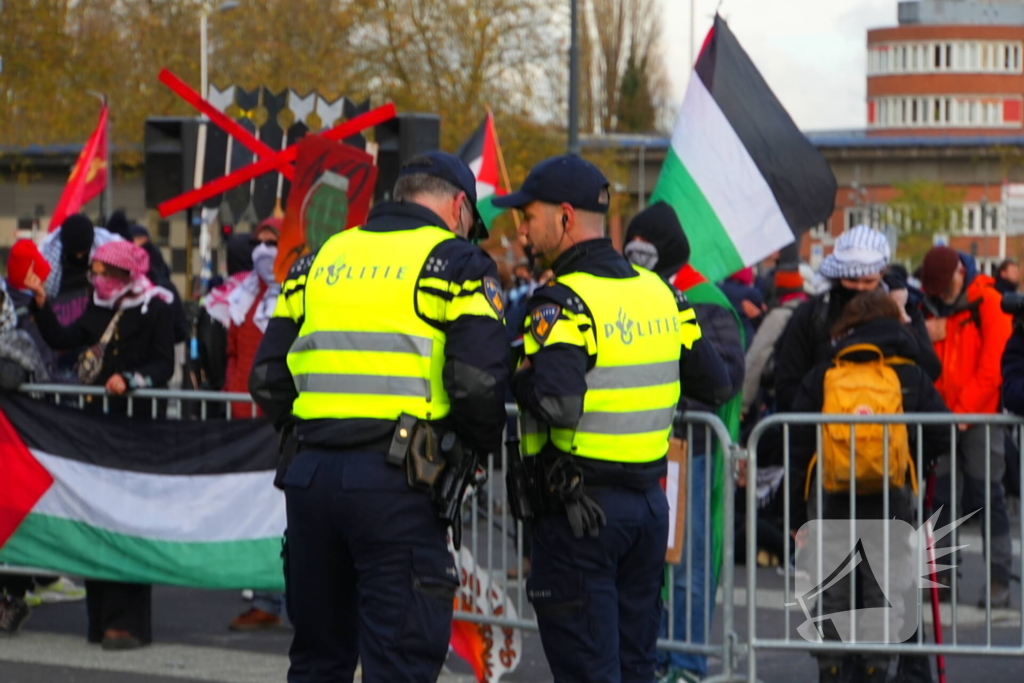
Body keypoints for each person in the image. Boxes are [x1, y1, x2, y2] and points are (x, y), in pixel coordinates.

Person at [250, 152, 507, 682]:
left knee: (318, 662)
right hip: (401, 489)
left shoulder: (318, 260)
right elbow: (478, 387)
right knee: (399, 664)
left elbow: (267, 378)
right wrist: (470, 455)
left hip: (311, 482)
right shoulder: (457, 264)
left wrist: (316, 431)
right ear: (460, 206)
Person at [494, 156, 731, 682]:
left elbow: (556, 404)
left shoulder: (563, 302)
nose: (523, 230)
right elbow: (716, 384)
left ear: (563, 217)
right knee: (634, 668)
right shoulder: (663, 294)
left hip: (580, 517)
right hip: (647, 510)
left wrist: (517, 372)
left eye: (528, 217)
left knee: (589, 671)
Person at [789, 290, 950, 683]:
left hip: (830, 497)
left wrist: (795, 513)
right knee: (885, 593)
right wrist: (915, 453)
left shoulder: (827, 372)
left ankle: (832, 672)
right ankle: (877, 673)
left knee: (831, 591)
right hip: (890, 496)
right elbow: (944, 431)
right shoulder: (908, 373)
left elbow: (793, 439)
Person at [23, 240, 175, 650]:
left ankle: (127, 624)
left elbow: (165, 364)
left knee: (128, 521)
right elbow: (64, 338)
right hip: (96, 432)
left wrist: (132, 380)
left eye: (105, 272)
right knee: (97, 517)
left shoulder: (156, 306)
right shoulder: (98, 305)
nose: (97, 278)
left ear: (126, 274)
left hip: (136, 434)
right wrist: (41, 305)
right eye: (94, 270)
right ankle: (100, 620)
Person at [624, 200, 745, 683]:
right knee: (647, 561)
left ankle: (687, 662)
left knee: (689, 562)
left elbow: (725, 374)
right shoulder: (631, 292)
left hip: (687, 449)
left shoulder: (705, 298)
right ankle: (655, 656)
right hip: (640, 445)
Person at [919, 246, 1014, 608]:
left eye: (943, 288)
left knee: (987, 499)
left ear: (960, 275)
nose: (939, 295)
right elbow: (925, 362)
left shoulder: (989, 302)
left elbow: (993, 369)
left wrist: (960, 414)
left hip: (978, 418)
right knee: (940, 499)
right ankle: (940, 577)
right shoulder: (929, 306)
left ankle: (999, 581)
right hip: (945, 416)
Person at [774, 225, 941, 413]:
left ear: (882, 273)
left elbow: (929, 369)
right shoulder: (814, 313)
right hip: (827, 432)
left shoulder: (904, 309)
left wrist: (902, 316)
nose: (860, 287)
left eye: (868, 281)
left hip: (894, 432)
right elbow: (788, 381)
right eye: (852, 281)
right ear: (838, 275)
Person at [224, 218, 280, 420]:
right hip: (242, 410)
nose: (263, 250)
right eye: (257, 244)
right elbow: (232, 352)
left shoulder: (297, 294)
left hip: (277, 415)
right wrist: (231, 389)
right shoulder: (242, 297)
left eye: (272, 243)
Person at [198, 233, 255, 393]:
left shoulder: (213, 301)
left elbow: (206, 353)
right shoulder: (263, 298)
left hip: (220, 393)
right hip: (253, 394)